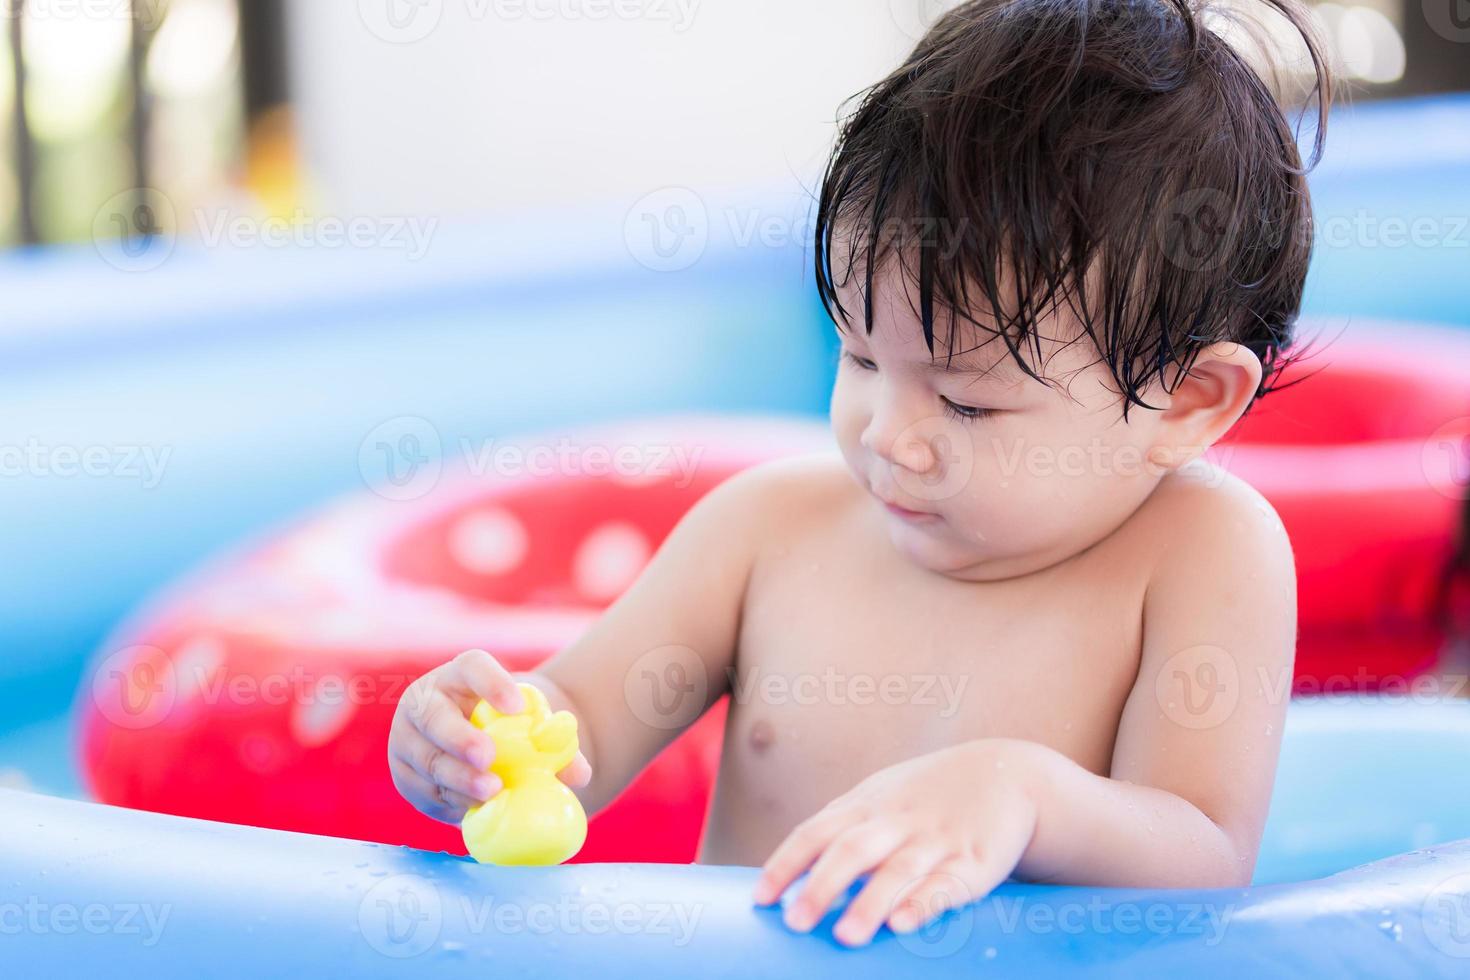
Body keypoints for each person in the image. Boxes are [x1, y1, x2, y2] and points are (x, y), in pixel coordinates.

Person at [389, 0, 1333, 947]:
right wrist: (480, 743)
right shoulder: (764, 532)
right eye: (860, 359)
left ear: (1187, 400)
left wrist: (1023, 794)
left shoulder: (1203, 554)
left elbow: (1206, 855)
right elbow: (581, 723)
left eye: (966, 403)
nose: (889, 437)